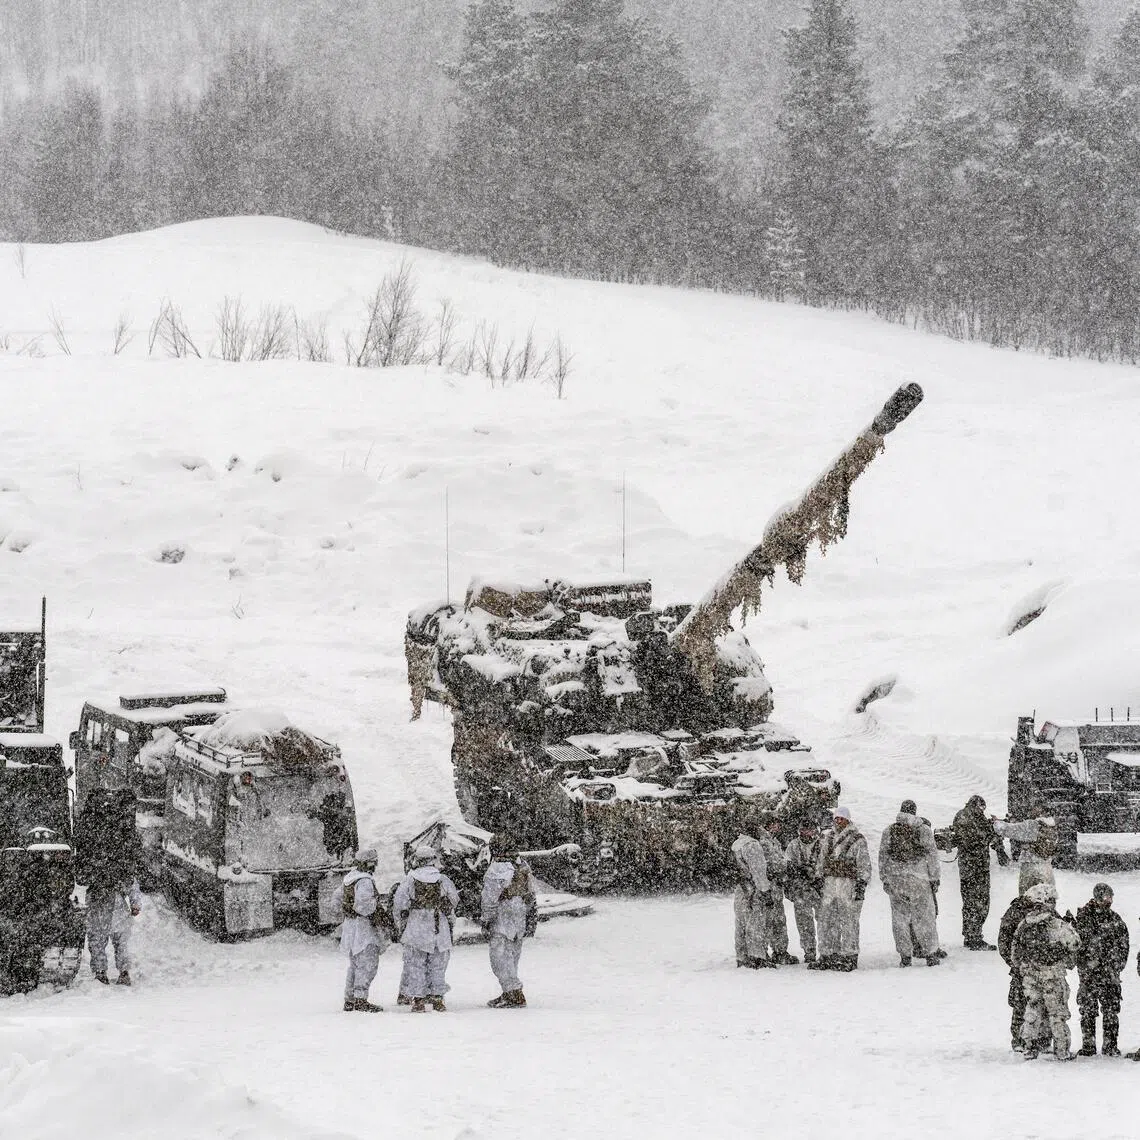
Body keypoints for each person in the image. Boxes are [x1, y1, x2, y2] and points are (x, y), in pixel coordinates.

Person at [74, 788, 145, 985]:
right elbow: (131, 873)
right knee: (120, 939)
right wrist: (135, 900)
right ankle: (123, 973)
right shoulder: (123, 830)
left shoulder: (90, 825)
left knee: (97, 938)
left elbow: (81, 870)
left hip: (98, 892)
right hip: (117, 893)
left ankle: (100, 973)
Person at [1011, 881, 1080, 1060]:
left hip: (1030, 975)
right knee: (1057, 1013)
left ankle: (1029, 1047)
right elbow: (1074, 945)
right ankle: (1062, 1050)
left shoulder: (1023, 925)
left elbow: (1015, 953)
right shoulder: (1057, 925)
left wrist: (1025, 967)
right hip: (1053, 975)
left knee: (1032, 1010)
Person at [394, 845, 460, 1012]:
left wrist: (403, 920)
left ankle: (418, 1000)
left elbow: (400, 902)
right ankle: (437, 998)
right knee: (438, 964)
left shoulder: (410, 879)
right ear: (433, 859)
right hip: (439, 926)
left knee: (416, 964)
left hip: (417, 925)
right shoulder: (442, 879)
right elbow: (454, 899)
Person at [878, 799, 941, 967]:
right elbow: (932, 855)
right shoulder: (923, 829)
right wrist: (934, 877)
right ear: (915, 811)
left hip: (897, 879)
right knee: (924, 918)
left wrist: (885, 878)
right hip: (919, 879)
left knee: (899, 919)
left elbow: (883, 856)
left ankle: (905, 955)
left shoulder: (889, 830)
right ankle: (930, 953)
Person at [481, 834, 538, 1008]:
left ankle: (513, 992)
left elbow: (489, 898)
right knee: (513, 953)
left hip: (503, 912)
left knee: (499, 955)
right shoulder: (522, 865)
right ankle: (510, 991)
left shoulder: (497, 869)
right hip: (520, 911)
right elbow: (531, 892)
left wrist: (486, 920)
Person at [812, 806, 871, 972]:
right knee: (826, 921)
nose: (838, 821)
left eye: (842, 818)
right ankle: (827, 955)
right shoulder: (828, 838)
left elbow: (864, 863)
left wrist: (861, 883)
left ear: (848, 819)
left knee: (849, 921)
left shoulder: (857, 839)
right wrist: (818, 877)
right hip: (830, 884)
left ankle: (849, 956)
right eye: (836, 818)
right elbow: (821, 860)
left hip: (848, 884)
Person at [1072, 883, 1129, 1056]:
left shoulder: (1115, 920)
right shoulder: (1083, 918)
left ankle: (1110, 1046)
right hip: (1089, 975)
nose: (1109, 901)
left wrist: (1115, 966)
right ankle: (1088, 1045)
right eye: (1105, 897)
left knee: (1111, 1010)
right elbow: (1076, 945)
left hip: (1109, 974)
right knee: (1088, 1010)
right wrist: (1085, 965)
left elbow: (1123, 947)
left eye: (1111, 897)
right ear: (1097, 897)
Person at [950, 794, 1009, 950]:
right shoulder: (963, 816)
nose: (982, 811)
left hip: (981, 866)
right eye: (980, 807)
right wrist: (989, 829)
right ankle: (972, 936)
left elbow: (990, 835)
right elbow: (971, 838)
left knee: (982, 901)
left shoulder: (978, 816)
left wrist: (999, 844)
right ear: (973, 805)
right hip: (970, 868)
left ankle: (974, 934)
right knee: (972, 902)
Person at [337, 847, 389, 1013]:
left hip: (351, 927)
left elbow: (336, 899)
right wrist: (378, 908)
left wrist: (347, 910)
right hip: (364, 928)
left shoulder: (349, 879)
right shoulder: (365, 881)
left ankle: (349, 998)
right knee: (367, 964)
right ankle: (360, 999)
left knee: (354, 964)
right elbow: (365, 906)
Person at [998, 886, 1045, 1053]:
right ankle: (1018, 1039)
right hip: (1022, 969)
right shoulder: (1015, 913)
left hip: (1041, 969)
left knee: (1042, 1004)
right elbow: (1004, 943)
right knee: (1020, 1004)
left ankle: (1041, 1039)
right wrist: (1016, 963)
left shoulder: (1045, 911)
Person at [755, 813, 797, 965]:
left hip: (776, 887)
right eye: (775, 824)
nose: (778, 827)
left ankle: (780, 951)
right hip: (767, 887)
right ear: (769, 824)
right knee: (767, 921)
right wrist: (788, 866)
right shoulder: (763, 842)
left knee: (779, 920)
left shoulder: (774, 842)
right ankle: (762, 953)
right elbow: (772, 863)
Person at [731, 830, 774, 968]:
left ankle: (742, 956)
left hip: (741, 889)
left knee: (741, 924)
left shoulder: (737, 844)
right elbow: (758, 871)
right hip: (753, 890)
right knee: (755, 924)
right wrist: (765, 890)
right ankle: (757, 957)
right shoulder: (753, 845)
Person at [784, 818, 824, 965]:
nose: (806, 832)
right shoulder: (794, 845)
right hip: (801, 890)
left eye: (810, 829)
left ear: (815, 830)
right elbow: (787, 864)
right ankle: (809, 951)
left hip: (820, 889)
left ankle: (826, 950)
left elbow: (828, 863)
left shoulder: (823, 844)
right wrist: (798, 872)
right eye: (803, 829)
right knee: (804, 923)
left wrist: (818, 877)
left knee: (825, 921)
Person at [993, 808, 1058, 895]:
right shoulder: (1053, 826)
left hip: (1030, 867)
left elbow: (1010, 829)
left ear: (1040, 810)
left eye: (1034, 808)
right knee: (1047, 897)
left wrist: (996, 822)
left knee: (1026, 899)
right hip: (1046, 868)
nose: (1031, 810)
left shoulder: (1032, 825)